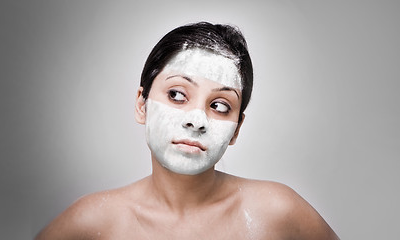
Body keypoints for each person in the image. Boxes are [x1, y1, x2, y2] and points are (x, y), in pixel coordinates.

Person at [36, 22, 339, 239]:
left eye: (220, 105)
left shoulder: (277, 212)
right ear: (141, 104)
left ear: (236, 129)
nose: (197, 119)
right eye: (177, 95)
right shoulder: (94, 222)